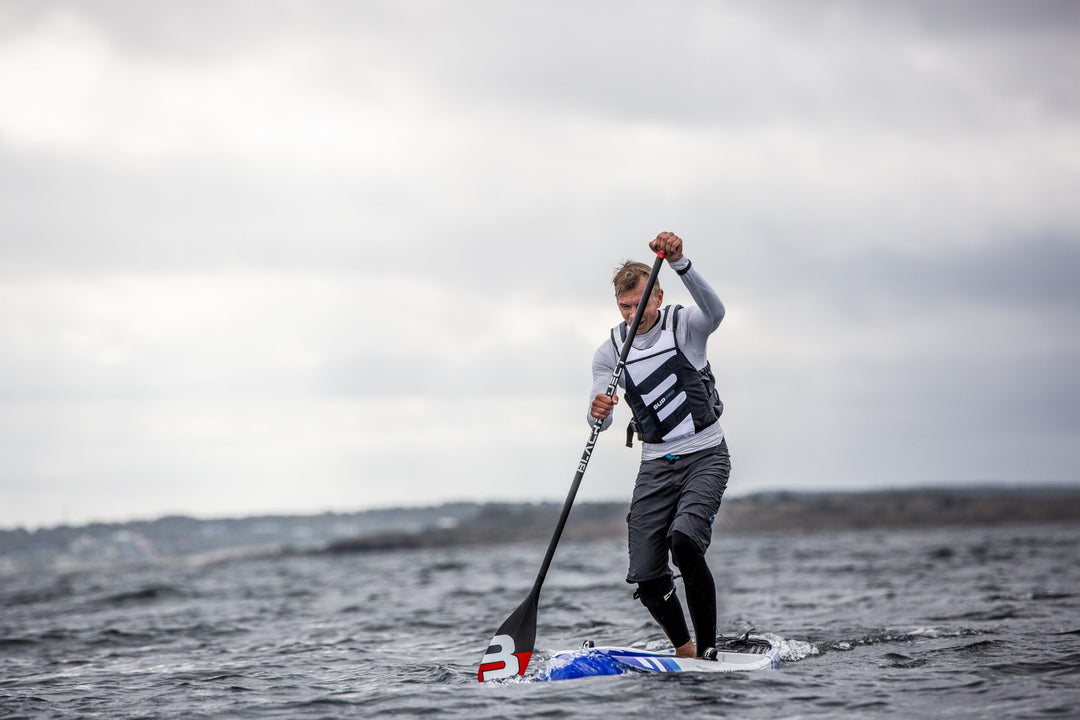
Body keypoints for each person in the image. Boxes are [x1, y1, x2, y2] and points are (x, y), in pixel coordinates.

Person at [588, 231, 730, 659]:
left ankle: (708, 654)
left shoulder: (684, 325)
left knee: (684, 543)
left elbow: (717, 313)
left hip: (705, 455)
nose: (631, 315)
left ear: (656, 296)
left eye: (637, 304)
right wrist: (598, 409)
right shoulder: (609, 351)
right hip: (655, 466)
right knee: (647, 573)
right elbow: (603, 414)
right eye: (623, 307)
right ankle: (684, 652)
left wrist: (682, 261)